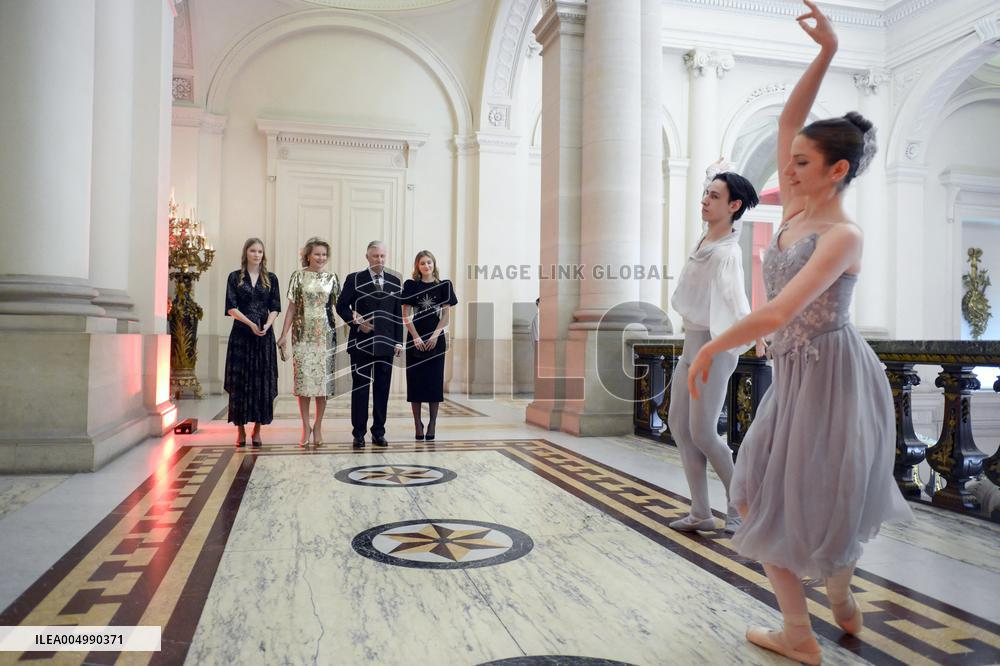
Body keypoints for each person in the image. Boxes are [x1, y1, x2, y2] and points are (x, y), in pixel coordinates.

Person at [686, 3, 913, 663]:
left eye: (803, 163)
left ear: (836, 171)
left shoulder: (842, 235)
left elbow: (781, 310)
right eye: (790, 160)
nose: (787, 169)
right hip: (794, 374)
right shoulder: (801, 207)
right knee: (757, 491)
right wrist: (826, 53)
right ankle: (811, 620)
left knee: (817, 497)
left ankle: (820, 614)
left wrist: (711, 344)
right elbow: (791, 118)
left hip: (836, 376)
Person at [667, 160, 763, 534]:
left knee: (704, 431)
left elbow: (736, 298)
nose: (705, 201)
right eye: (706, 194)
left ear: (733, 206)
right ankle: (701, 512)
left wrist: (757, 333)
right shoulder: (705, 242)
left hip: (715, 345)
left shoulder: (726, 253)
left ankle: (742, 510)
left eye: (714, 196)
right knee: (679, 425)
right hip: (691, 343)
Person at [335, 241, 404, 448]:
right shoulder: (354, 279)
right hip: (361, 344)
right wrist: (356, 321)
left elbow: (397, 314)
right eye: (375, 256)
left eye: (383, 256)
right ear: (367, 257)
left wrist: (399, 341)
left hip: (386, 344)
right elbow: (341, 306)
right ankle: (358, 433)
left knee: (382, 390)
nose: (379, 260)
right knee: (361, 389)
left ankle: (379, 432)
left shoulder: (395, 281)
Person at [276, 238, 340, 447]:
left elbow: (338, 308)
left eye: (324, 254)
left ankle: (318, 426)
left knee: (322, 386)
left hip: (325, 336)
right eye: (317, 254)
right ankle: (305, 426)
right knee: (303, 385)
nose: (321, 258)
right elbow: (292, 309)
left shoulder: (332, 278)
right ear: (308, 256)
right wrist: (284, 334)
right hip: (302, 336)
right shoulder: (298, 277)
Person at [224, 238, 281, 447]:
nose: (257, 254)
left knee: (261, 382)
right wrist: (250, 324)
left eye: (260, 251)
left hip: (264, 336)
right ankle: (239, 430)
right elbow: (231, 307)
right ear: (246, 252)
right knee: (240, 381)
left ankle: (257, 430)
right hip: (241, 334)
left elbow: (275, 306)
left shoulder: (271, 278)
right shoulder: (234, 277)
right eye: (253, 250)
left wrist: (267, 325)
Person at [401, 250, 457, 441]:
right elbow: (406, 315)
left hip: (436, 340)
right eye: (423, 263)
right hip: (414, 339)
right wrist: (415, 336)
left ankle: (432, 423)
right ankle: (418, 423)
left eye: (429, 262)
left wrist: (435, 335)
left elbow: (446, 316)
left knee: (434, 383)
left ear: (434, 264)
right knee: (415, 383)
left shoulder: (444, 286)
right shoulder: (410, 286)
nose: (426, 266)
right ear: (417, 266)